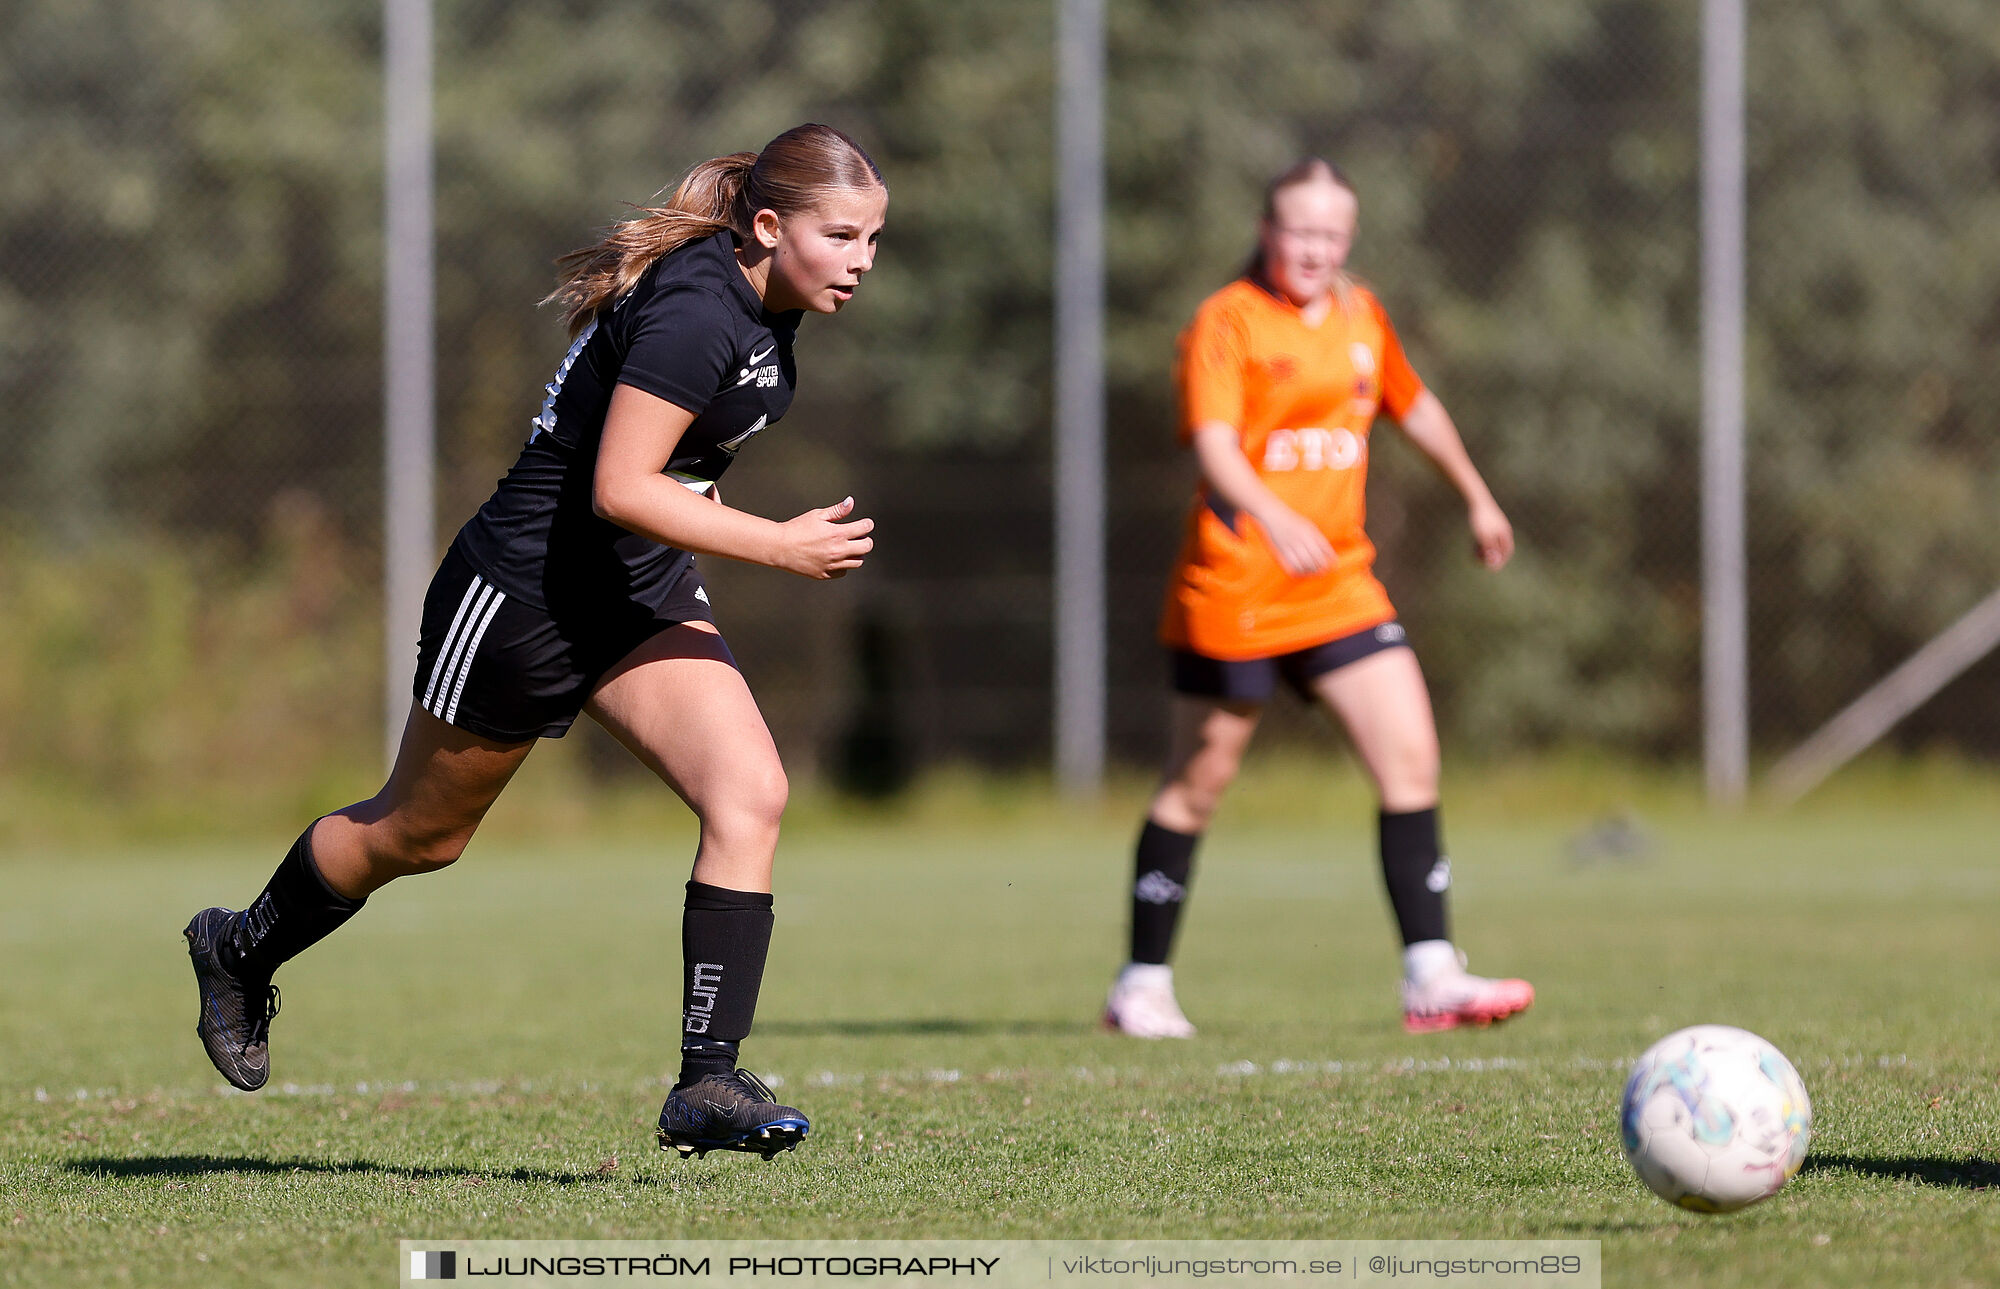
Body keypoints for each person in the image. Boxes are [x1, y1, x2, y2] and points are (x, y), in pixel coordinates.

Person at [183, 123, 887, 1160]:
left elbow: (672, 469)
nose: (861, 263)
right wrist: (775, 547)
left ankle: (707, 1080)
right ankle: (238, 947)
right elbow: (617, 486)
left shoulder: (766, 301)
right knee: (417, 836)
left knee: (750, 795)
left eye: (873, 240)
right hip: (524, 596)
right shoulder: (700, 310)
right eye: (842, 237)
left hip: (634, 588)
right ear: (770, 225)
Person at [1103, 157, 1534, 1039]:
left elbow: (1414, 408)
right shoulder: (1228, 320)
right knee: (1196, 784)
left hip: (1340, 585)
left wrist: (1477, 494)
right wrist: (1269, 514)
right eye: (1301, 230)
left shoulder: (1362, 315)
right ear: (1268, 231)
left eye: (1332, 234)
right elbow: (1216, 450)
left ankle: (1432, 974)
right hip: (1236, 590)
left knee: (1411, 759)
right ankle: (1141, 984)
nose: (1316, 248)